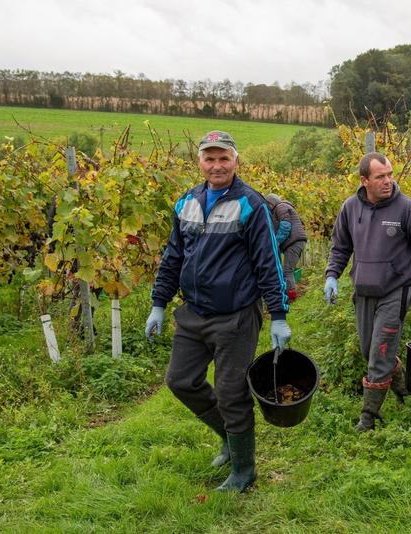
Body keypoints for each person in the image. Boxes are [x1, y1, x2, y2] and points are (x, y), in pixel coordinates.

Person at [145, 130, 291, 492]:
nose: (217, 165)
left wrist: (278, 315)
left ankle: (244, 470)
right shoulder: (186, 203)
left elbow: (268, 262)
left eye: (223, 158)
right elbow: (173, 257)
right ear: (199, 163)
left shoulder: (250, 205)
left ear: (235, 160)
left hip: (236, 316)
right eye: (209, 158)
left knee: (231, 393)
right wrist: (158, 304)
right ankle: (226, 435)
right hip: (194, 313)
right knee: (180, 380)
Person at [324, 152, 411, 432]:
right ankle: (403, 390)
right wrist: (332, 276)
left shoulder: (407, 209)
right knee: (370, 351)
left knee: (380, 352)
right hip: (363, 290)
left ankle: (368, 417)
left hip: (395, 291)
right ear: (365, 180)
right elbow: (341, 247)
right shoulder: (351, 208)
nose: (388, 181)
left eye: (390, 174)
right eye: (380, 176)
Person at [265, 193, 307, 302]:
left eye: (268, 205)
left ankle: (291, 298)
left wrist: (276, 242)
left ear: (271, 203)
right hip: (295, 241)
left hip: (294, 241)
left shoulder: (281, 207)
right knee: (288, 269)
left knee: (287, 270)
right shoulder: (282, 208)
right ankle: (289, 295)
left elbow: (285, 226)